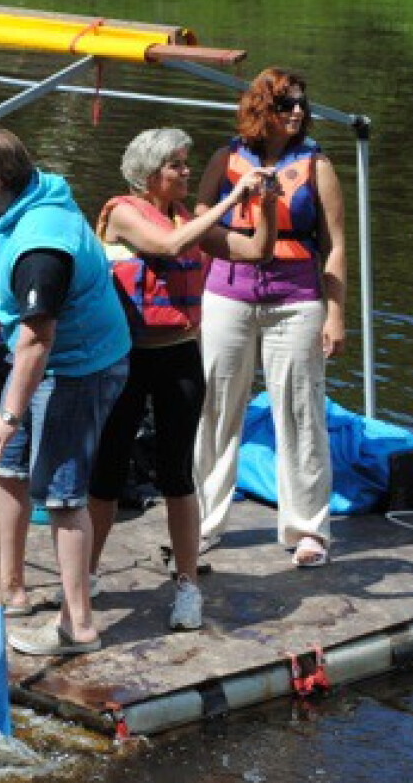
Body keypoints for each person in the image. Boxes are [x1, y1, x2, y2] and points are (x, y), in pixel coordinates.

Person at [0, 129, 130, 658]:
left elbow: (35, 340)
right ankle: (9, 588)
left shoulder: (44, 245)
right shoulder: (16, 203)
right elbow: (0, 257)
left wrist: (7, 415)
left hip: (79, 366)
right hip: (45, 359)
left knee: (64, 495)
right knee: (7, 468)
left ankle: (78, 627)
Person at [88, 127, 281, 632]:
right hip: (125, 360)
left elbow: (257, 251)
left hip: (177, 361)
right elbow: (168, 245)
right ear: (150, 173)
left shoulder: (191, 219)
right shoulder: (123, 212)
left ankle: (188, 585)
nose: (187, 172)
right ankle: (84, 575)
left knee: (177, 474)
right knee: (106, 472)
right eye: (177, 164)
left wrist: (264, 206)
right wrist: (232, 197)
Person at [194, 68, 348, 568]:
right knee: (215, 407)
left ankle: (308, 530)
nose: (298, 112)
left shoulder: (317, 164)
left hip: (295, 300)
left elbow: (335, 244)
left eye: (302, 103)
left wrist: (336, 313)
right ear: (263, 109)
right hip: (228, 297)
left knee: (301, 412)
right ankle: (202, 520)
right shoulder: (225, 159)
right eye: (286, 105)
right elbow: (199, 221)